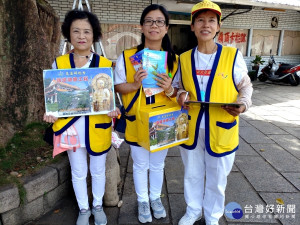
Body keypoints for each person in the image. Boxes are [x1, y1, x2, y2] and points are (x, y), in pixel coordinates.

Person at [172, 0, 253, 224]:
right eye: (200, 20)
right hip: (191, 127)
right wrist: (180, 95)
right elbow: (179, 86)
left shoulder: (232, 56)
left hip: (221, 126)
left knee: (217, 177)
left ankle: (213, 215)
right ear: (192, 26)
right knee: (192, 173)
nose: (205, 25)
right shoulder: (184, 58)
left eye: (211, 21)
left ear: (218, 27)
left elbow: (245, 86)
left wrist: (243, 104)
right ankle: (193, 210)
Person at [43, 9, 120, 225]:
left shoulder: (105, 65)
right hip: (71, 128)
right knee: (78, 171)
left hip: (98, 127)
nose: (81, 36)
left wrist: (113, 110)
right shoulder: (59, 64)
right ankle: (83, 209)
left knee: (98, 171)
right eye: (76, 31)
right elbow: (53, 99)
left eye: (87, 31)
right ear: (68, 34)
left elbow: (109, 99)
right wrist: (50, 112)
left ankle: (97, 205)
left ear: (94, 35)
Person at [114, 4, 178, 224]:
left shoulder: (174, 60)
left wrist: (170, 87)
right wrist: (134, 84)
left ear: (166, 28)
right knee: (140, 164)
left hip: (162, 119)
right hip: (136, 119)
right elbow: (117, 86)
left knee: (158, 164)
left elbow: (180, 93)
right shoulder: (128, 56)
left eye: (159, 21)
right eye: (149, 21)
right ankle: (143, 201)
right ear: (141, 26)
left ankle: (155, 198)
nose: (154, 25)